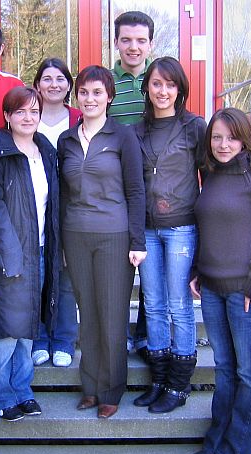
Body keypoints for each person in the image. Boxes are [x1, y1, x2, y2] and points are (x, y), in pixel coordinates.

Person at [189, 108, 251, 454]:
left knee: (249, 372)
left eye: (230, 137)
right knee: (225, 369)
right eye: (216, 137)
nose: (223, 144)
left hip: (247, 290)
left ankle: (238, 448)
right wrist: (198, 269)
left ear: (244, 138)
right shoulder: (210, 175)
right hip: (212, 289)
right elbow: (208, 228)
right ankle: (216, 441)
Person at [58, 65, 146, 419]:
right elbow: (62, 194)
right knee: (88, 312)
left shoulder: (123, 136)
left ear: (109, 97)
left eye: (97, 92)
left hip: (114, 235)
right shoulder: (65, 140)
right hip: (75, 234)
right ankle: (90, 386)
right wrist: (61, 243)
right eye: (84, 92)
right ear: (76, 96)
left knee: (111, 315)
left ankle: (112, 388)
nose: (90, 98)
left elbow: (136, 191)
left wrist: (137, 241)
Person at [0, 87, 60, 422]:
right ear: (7, 116)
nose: (28, 118)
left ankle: (22, 388)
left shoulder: (46, 150)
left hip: (41, 249)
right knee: (4, 330)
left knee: (27, 327)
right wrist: (10, 256)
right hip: (9, 254)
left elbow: (53, 204)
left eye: (34, 111)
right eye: (21, 112)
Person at [133, 57, 206, 414]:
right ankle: (159, 380)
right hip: (147, 230)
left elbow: (210, 177)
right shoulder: (137, 130)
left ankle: (179, 385)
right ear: (147, 86)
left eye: (170, 84)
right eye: (157, 83)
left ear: (180, 89)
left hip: (181, 228)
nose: (163, 91)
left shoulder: (194, 127)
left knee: (179, 305)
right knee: (155, 304)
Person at [109, 10, 154, 358]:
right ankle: (119, 330)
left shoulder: (161, 78)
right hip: (120, 187)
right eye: (126, 39)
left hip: (158, 186)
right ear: (116, 42)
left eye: (140, 40)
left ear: (150, 43)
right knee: (122, 263)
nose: (133, 47)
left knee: (151, 263)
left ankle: (145, 332)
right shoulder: (107, 83)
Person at [31, 58, 81, 368]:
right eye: (47, 78)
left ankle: (63, 338)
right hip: (35, 205)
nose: (53, 84)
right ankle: (38, 337)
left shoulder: (77, 117)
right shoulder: (28, 115)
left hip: (71, 205)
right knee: (36, 276)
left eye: (60, 78)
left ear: (68, 85)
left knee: (65, 275)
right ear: (37, 85)